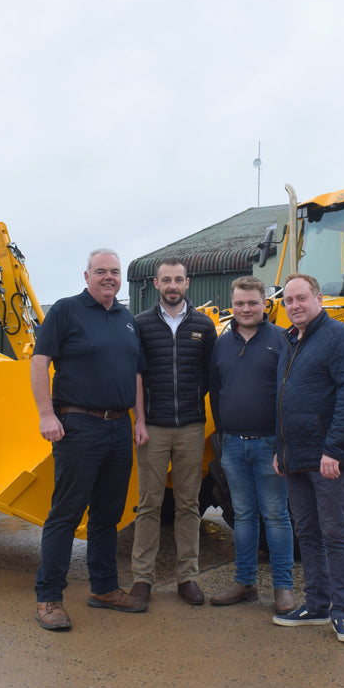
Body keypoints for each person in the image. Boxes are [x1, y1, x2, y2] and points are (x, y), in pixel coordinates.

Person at [31, 248, 150, 631]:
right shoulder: (66, 311)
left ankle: (104, 589)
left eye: (114, 271)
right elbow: (40, 361)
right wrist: (46, 414)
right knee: (66, 514)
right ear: (87, 276)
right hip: (79, 425)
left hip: (118, 428)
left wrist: (139, 420)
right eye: (101, 271)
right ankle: (49, 597)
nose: (109, 277)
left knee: (107, 515)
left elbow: (135, 374)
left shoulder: (126, 319)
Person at [271, 273, 344, 644]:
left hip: (327, 458)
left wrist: (334, 450)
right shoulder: (290, 341)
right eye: (288, 301)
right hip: (296, 457)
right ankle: (317, 604)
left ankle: (342, 612)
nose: (294, 306)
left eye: (301, 298)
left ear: (319, 299)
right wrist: (281, 451)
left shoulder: (339, 336)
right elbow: (284, 401)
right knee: (307, 533)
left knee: (335, 533)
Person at [129, 259, 217, 606]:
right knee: (149, 504)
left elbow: (209, 374)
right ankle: (142, 579)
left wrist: (194, 403)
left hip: (191, 428)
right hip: (152, 428)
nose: (172, 285)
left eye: (178, 279)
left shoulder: (203, 326)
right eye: (166, 280)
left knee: (188, 505)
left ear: (187, 283)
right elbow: (135, 375)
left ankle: (188, 577)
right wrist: (139, 420)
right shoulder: (141, 325)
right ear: (156, 284)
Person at [208, 276, 295, 614]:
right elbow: (216, 390)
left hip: (269, 444)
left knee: (275, 515)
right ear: (232, 305)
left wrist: (282, 442)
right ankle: (245, 582)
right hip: (233, 444)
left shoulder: (281, 340)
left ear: (264, 304)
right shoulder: (221, 344)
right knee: (243, 516)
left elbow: (289, 394)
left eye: (252, 303)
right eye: (239, 304)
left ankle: (283, 588)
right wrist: (224, 432)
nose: (246, 309)